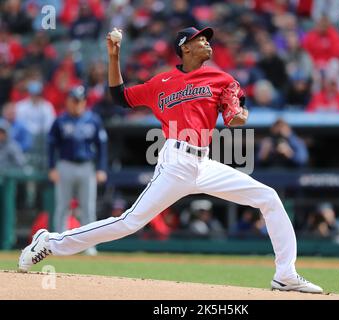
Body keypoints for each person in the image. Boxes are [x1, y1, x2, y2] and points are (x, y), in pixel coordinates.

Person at [18, 26, 323, 294]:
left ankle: (285, 274)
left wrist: (239, 114)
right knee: (130, 221)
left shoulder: (221, 78)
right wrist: (114, 56)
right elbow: (120, 97)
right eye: (200, 39)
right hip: (175, 161)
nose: (207, 42)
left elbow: (235, 114)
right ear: (185, 47)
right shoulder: (160, 82)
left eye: (207, 38)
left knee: (268, 197)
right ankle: (50, 241)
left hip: (205, 163)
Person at [47, 85, 108, 256]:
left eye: (79, 101)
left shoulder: (93, 120)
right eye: (74, 101)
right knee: (63, 207)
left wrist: (101, 168)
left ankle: (88, 245)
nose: (77, 104)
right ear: (68, 101)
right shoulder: (60, 120)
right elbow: (51, 146)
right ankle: (58, 244)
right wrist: (52, 167)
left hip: (87, 166)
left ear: (84, 102)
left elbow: (102, 146)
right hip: (65, 165)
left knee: (88, 207)